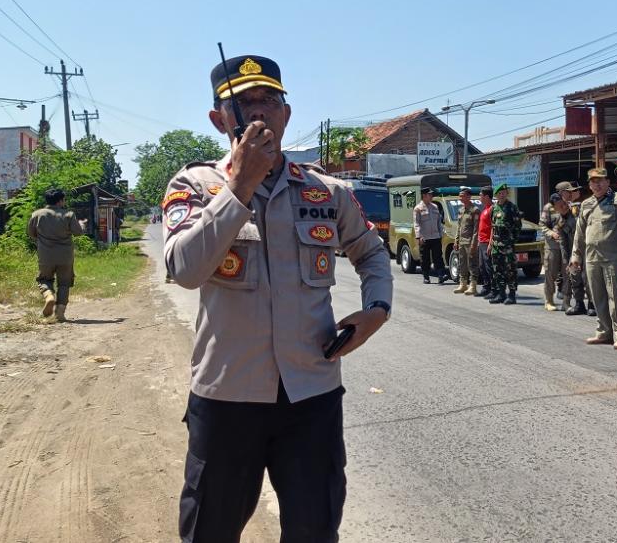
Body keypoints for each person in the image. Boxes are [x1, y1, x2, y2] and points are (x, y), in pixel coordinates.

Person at [163, 54, 392, 541]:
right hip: (227, 397)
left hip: (311, 397)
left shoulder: (326, 190)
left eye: (270, 100)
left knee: (314, 529)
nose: (259, 111)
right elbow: (184, 270)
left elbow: (371, 252)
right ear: (220, 119)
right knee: (210, 530)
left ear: (286, 114)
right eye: (244, 102)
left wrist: (377, 310)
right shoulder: (194, 186)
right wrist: (240, 186)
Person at [570, 168, 617, 348]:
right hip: (592, 258)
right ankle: (604, 331)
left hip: (614, 257)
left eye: (600, 181)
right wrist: (576, 255)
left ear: (607, 182)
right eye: (593, 182)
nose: (596, 185)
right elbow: (579, 232)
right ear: (589, 185)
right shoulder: (586, 204)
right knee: (597, 297)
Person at [26, 188, 86, 322]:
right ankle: (60, 313)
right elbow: (78, 232)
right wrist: (82, 225)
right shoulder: (69, 215)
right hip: (65, 256)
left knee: (44, 280)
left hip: (45, 255)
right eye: (64, 199)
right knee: (64, 283)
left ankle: (49, 297)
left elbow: (31, 233)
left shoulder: (37, 214)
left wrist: (43, 239)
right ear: (60, 201)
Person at [557, 181, 589, 316]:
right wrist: (566, 258)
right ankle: (579, 303)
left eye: (573, 191)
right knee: (574, 276)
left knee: (588, 277)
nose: (572, 194)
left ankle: (592, 304)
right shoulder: (562, 211)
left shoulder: (582, 206)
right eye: (569, 191)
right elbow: (562, 238)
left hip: (586, 248)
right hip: (572, 250)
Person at [488, 183, 521, 305]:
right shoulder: (494, 208)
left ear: (507, 194)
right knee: (497, 270)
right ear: (496, 195)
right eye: (499, 193)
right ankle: (501, 294)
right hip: (496, 245)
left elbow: (518, 226)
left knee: (510, 270)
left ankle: (512, 295)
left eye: (504, 193)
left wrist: (512, 241)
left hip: (507, 246)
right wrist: (491, 243)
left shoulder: (512, 207)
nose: (502, 195)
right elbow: (493, 227)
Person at [414, 186, 448, 284]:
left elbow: (438, 222)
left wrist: (440, 234)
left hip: (435, 237)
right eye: (430, 194)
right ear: (424, 196)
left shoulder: (435, 207)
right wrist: (419, 236)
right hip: (424, 237)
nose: (431, 196)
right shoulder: (418, 208)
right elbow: (416, 224)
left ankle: (441, 275)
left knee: (438, 257)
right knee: (425, 258)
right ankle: (426, 276)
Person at [453, 186, 481, 295]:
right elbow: (459, 227)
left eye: (462, 196)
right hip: (462, 242)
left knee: (472, 264)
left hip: (470, 242)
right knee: (462, 264)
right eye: (460, 196)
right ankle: (463, 284)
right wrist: (456, 240)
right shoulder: (461, 210)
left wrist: (474, 243)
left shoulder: (475, 210)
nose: (460, 198)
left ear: (469, 197)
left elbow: (476, 229)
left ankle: (473, 286)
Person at [540, 193, 566, 311]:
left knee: (567, 274)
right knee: (550, 274)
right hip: (552, 246)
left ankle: (566, 301)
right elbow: (542, 225)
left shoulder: (567, 206)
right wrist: (551, 233)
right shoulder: (548, 208)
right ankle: (549, 301)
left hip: (565, 245)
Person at [476, 186, 494, 297]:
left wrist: (490, 244)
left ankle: (493, 289)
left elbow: (493, 228)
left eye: (480, 195)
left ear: (486, 196)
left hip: (487, 243)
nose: (479, 197)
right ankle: (486, 287)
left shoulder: (492, 209)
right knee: (482, 266)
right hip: (482, 242)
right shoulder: (485, 208)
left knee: (489, 267)